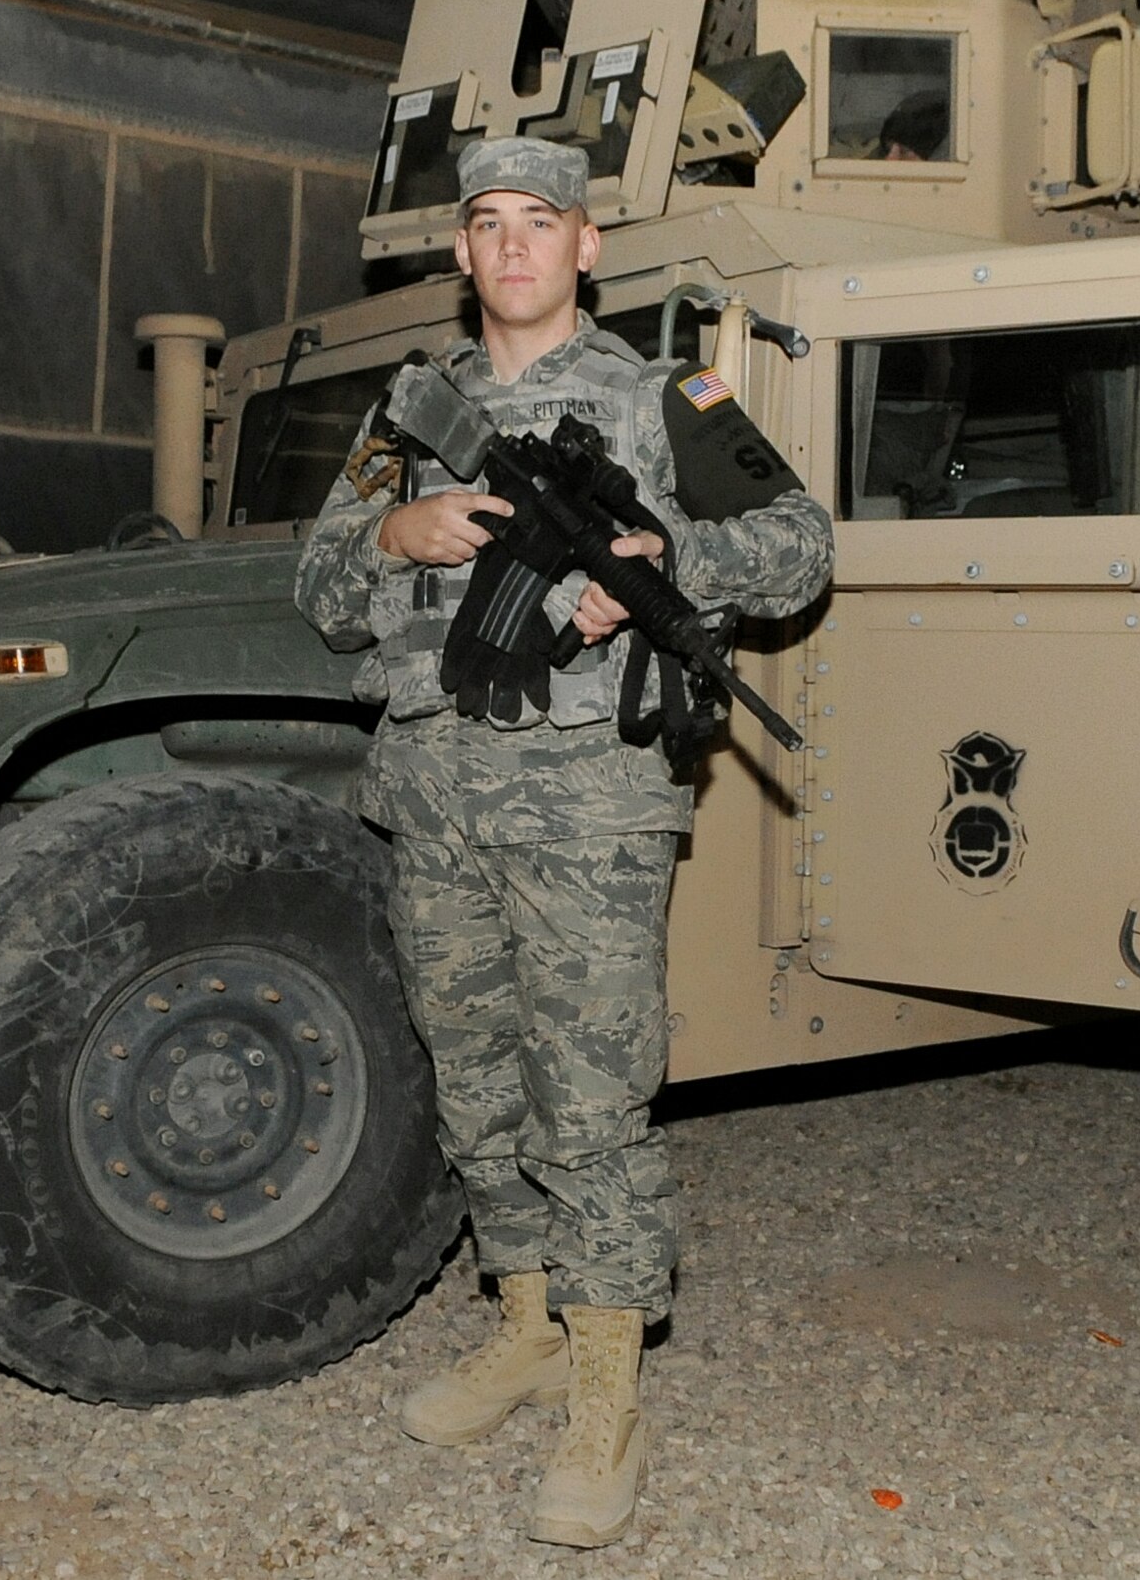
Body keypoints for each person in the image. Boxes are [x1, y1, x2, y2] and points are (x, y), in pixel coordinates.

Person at [294, 135, 833, 1548]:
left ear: (587, 245)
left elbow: (800, 539)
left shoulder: (668, 397)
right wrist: (398, 531)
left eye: (543, 220)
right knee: (473, 1075)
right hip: (432, 788)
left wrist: (667, 566)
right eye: (487, 222)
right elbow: (315, 580)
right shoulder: (409, 410)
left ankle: (608, 1388)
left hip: (588, 802)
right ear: (461, 252)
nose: (515, 244)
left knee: (589, 1094)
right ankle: (522, 1324)